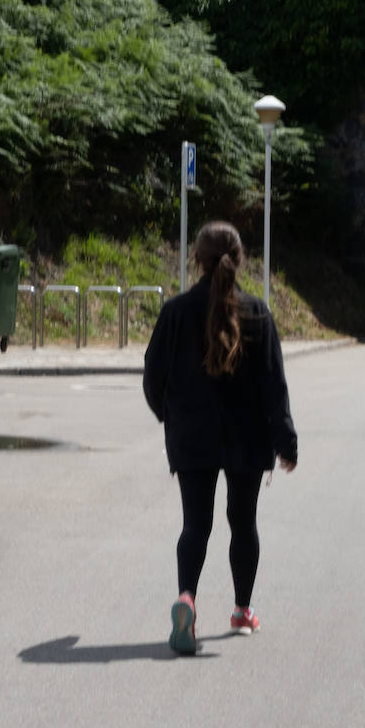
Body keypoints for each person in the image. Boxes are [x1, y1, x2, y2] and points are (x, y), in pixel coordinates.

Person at [142, 221, 298, 656]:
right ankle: (242, 611)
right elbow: (274, 384)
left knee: (196, 525)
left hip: (192, 436)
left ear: (196, 259)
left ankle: (187, 600)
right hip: (247, 436)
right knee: (243, 522)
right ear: (240, 260)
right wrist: (285, 441)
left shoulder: (175, 312)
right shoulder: (257, 313)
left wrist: (170, 416)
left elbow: (153, 376)